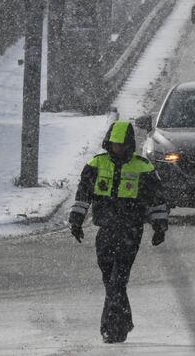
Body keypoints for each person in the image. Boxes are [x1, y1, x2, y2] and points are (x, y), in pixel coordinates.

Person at [69, 119, 169, 344]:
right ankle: (124, 321)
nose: (118, 148)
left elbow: (157, 200)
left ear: (130, 144)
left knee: (117, 280)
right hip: (105, 230)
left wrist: (159, 226)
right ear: (108, 143)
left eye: (122, 145)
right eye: (114, 144)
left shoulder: (143, 167)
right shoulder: (96, 165)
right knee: (108, 278)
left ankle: (111, 329)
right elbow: (83, 195)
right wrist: (76, 221)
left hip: (131, 232)